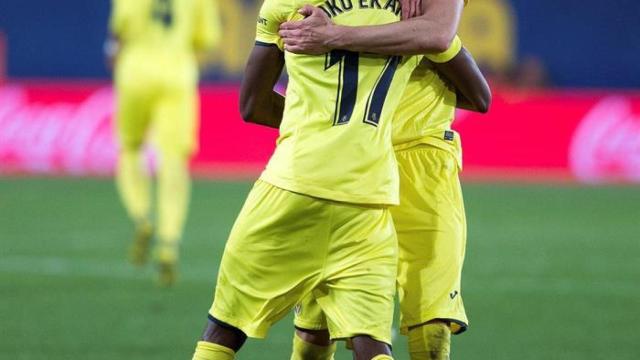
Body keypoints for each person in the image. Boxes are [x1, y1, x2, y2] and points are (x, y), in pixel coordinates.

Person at [190, 1, 435, 359]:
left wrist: (316, 121)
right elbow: (476, 92)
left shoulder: (287, 4)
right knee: (372, 346)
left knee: (225, 328)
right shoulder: (413, 15)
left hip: (292, 187)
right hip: (368, 198)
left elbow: (252, 104)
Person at [277, 2, 491, 359]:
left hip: (416, 155)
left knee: (430, 317)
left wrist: (337, 38)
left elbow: (443, 43)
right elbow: (459, 68)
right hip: (353, 156)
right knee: (317, 325)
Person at [107, 0, 220, 286]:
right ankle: (168, 243)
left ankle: (141, 215)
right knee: (174, 159)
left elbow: (119, 30)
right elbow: (206, 39)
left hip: (135, 73)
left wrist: (115, 56)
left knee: (130, 148)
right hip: (177, 75)